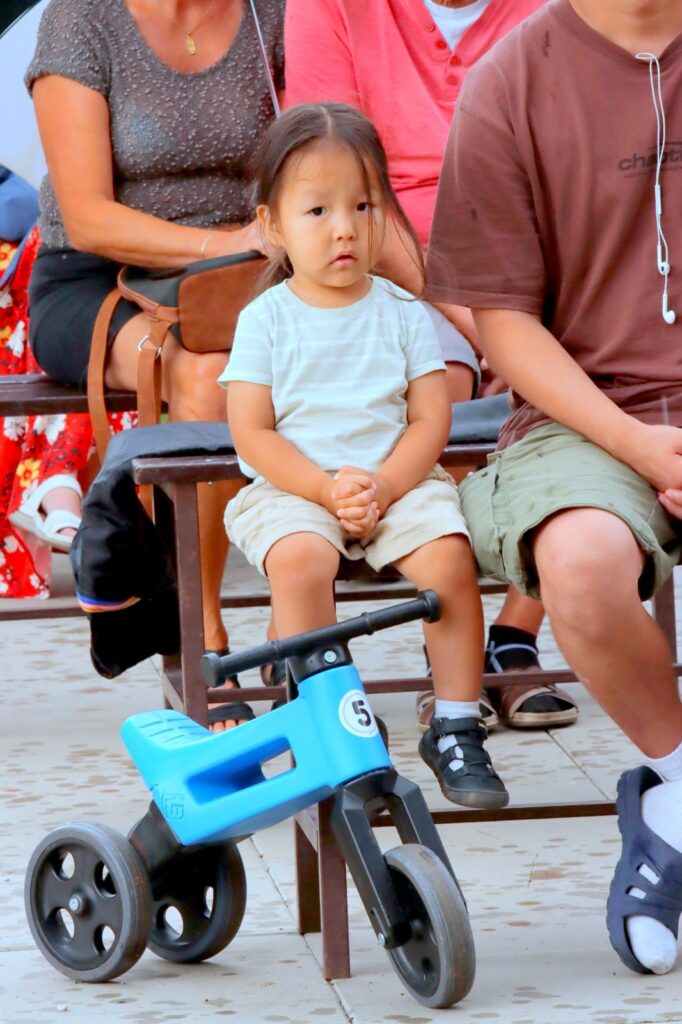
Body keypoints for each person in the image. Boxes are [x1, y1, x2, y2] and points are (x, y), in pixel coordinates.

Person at [426, 0, 682, 975]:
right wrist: (640, 445)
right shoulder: (510, 83)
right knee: (576, 561)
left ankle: (670, 822)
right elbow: (504, 322)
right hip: (584, 417)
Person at [284, 0, 579, 730]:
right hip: (392, 265)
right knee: (439, 383)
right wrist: (488, 326)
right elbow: (338, 181)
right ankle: (445, 645)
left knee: (592, 366)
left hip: (537, 254)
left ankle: (513, 632)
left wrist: (528, 320)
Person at [220, 101, 508, 810]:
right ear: (272, 225)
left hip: (398, 480)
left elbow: (430, 418)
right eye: (318, 210)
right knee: (299, 560)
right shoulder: (265, 319)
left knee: (449, 558)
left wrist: (384, 485)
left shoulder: (405, 312)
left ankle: (456, 723)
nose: (345, 227)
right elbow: (253, 434)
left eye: (363, 205)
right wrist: (325, 491)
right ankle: (333, 717)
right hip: (292, 486)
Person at [24, 0, 284, 727]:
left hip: (246, 280)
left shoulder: (272, 12)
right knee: (206, 375)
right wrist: (225, 243)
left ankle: (296, 625)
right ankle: (201, 641)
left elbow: (316, 147)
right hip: (99, 279)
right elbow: (87, 216)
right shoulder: (81, 18)